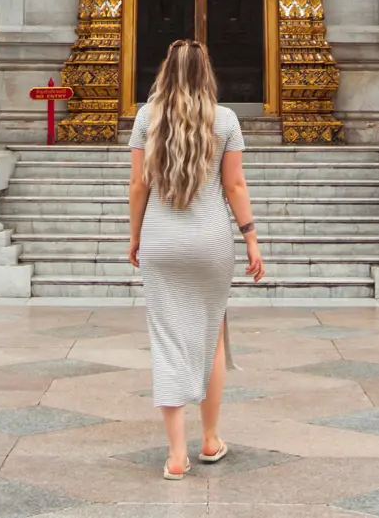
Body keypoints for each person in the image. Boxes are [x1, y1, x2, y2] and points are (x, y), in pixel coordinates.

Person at [128, 38, 264, 480]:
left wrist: (134, 239)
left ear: (166, 71)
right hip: (210, 240)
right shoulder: (224, 120)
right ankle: (209, 439)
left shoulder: (147, 118)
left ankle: (174, 455)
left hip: (161, 239)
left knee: (168, 340)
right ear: (207, 73)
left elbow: (138, 187)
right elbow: (235, 186)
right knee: (212, 336)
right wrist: (251, 238)